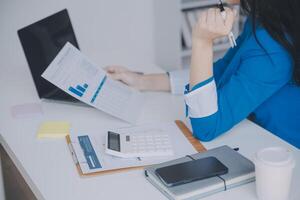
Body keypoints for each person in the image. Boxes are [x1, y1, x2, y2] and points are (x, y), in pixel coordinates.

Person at [106, 0, 300, 148]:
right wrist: (142, 81)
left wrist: (202, 42)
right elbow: (223, 70)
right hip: (258, 138)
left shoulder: (274, 44)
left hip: (280, 153)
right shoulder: (264, 21)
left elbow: (207, 127)